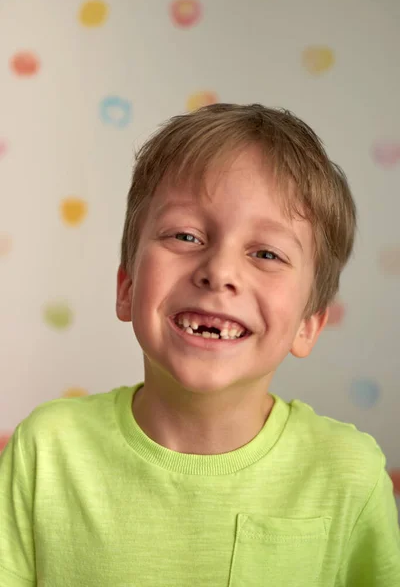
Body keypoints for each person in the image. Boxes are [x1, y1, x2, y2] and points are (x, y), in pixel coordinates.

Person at [1, 104, 399, 586]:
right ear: (127, 288)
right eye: (186, 235)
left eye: (267, 253)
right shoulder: (45, 451)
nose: (220, 271)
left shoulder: (349, 475)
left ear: (308, 326)